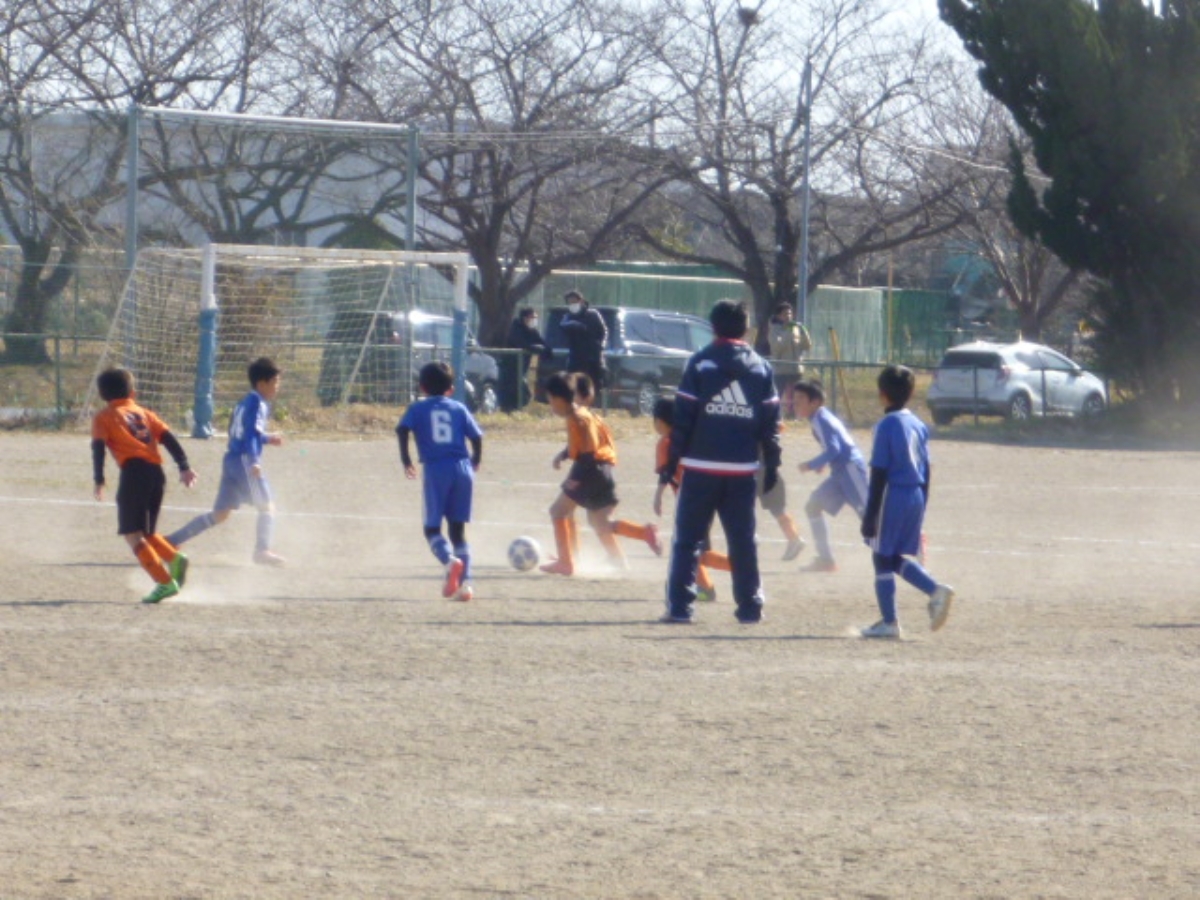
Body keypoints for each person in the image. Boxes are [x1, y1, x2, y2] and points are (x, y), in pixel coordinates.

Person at [661, 299, 780, 624]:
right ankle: (750, 607)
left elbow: (683, 417)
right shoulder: (760, 367)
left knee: (687, 540)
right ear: (746, 328)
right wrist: (773, 463)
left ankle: (680, 607)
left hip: (700, 467)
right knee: (743, 541)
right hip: (742, 469)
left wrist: (671, 461)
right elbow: (770, 422)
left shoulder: (700, 363)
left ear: (713, 327)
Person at [859, 364, 955, 639]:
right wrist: (922, 505)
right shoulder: (918, 424)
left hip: (892, 494)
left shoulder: (885, 425)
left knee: (881, 556)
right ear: (911, 394)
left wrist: (870, 515)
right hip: (915, 494)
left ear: (882, 393)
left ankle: (893, 620)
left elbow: (879, 472)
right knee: (891, 556)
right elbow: (927, 470)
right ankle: (932, 592)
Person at [91, 367, 198, 604]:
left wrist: (99, 479)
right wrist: (184, 466)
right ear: (133, 392)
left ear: (102, 395)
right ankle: (175, 558)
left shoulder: (104, 417)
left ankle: (164, 581)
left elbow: (98, 448)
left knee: (132, 534)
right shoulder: (145, 413)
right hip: (156, 474)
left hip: (134, 474)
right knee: (147, 532)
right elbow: (169, 438)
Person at [166, 357, 286, 566]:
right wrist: (254, 460)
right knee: (267, 506)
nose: (278, 386)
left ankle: (172, 541)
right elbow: (250, 435)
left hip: (231, 460)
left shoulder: (244, 402)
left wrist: (267, 439)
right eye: (275, 381)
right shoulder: (259, 403)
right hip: (245, 461)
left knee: (220, 514)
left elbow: (238, 432)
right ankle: (262, 550)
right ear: (261, 383)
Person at [540, 372, 661, 576]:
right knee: (600, 522)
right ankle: (640, 536)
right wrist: (564, 454)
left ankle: (566, 562)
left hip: (589, 470)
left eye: (551, 400)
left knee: (558, 511)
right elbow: (582, 444)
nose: (551, 406)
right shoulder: (583, 414)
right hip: (602, 469)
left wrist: (578, 477)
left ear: (559, 399)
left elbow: (590, 447)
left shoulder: (577, 418)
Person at [397, 361, 483, 602]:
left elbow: (402, 429)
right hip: (463, 468)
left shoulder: (418, 408)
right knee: (458, 531)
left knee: (432, 529)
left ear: (422, 387)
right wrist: (476, 460)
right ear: (451, 389)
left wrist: (406, 460)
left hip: (436, 469)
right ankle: (466, 585)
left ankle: (449, 561)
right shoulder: (459, 408)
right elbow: (476, 436)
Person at [651, 398, 730, 603]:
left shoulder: (665, 443)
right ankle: (708, 585)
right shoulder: (692, 437)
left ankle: (739, 569)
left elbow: (666, 473)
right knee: (697, 550)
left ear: (660, 421)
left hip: (691, 503)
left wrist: (658, 496)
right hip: (709, 495)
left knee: (690, 548)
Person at [792, 378, 868, 572]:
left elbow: (835, 449)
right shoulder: (819, 417)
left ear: (815, 402)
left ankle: (910, 540)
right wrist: (823, 462)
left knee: (870, 519)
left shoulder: (821, 419)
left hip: (851, 470)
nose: (795, 402)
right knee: (813, 506)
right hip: (840, 472)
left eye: (800, 398)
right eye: (795, 398)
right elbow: (834, 447)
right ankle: (825, 560)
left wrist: (811, 464)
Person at [760, 302, 811, 416]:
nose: (788, 316)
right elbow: (777, 347)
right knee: (776, 394)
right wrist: (788, 331)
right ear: (778, 316)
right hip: (781, 369)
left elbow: (807, 346)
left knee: (796, 395)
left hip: (796, 368)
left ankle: (792, 415)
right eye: (785, 314)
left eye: (790, 313)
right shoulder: (774, 329)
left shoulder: (795, 329)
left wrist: (803, 331)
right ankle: (773, 415)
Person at [558, 290, 608, 391]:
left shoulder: (593, 315)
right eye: (569, 303)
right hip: (576, 359)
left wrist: (601, 346)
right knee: (574, 387)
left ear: (581, 301)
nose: (572, 305)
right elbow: (562, 327)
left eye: (574, 301)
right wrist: (572, 325)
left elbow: (603, 332)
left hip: (593, 358)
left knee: (593, 387)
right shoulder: (568, 317)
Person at [503, 306, 550, 410]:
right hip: (510, 368)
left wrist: (546, 350)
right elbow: (521, 343)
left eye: (535, 317)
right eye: (532, 317)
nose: (534, 320)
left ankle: (515, 410)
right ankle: (509, 411)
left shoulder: (533, 331)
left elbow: (543, 343)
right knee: (515, 394)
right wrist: (534, 347)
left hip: (522, 369)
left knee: (524, 395)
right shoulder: (516, 329)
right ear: (524, 318)